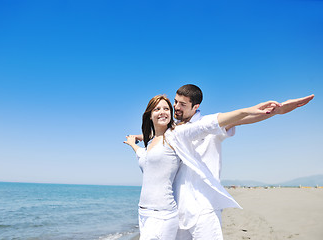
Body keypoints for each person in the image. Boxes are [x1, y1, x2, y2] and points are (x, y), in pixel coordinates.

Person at [130, 85, 314, 240]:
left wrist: (277, 111)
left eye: (182, 104)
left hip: (204, 205)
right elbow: (158, 138)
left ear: (195, 107)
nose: (175, 107)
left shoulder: (209, 126)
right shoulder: (174, 130)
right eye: (175, 102)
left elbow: (243, 118)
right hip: (178, 206)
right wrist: (139, 138)